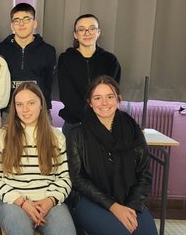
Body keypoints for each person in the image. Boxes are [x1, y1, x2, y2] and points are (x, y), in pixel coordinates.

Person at [67, 75, 156, 234]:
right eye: (97, 98)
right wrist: (113, 206)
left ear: (118, 99)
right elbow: (78, 180)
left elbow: (145, 174)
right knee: (120, 232)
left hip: (129, 198)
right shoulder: (77, 135)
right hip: (91, 200)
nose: (104, 103)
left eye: (110, 97)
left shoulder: (133, 130)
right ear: (89, 102)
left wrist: (130, 207)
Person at [0, 82, 75, 235]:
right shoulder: (2, 136)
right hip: (14, 202)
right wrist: (23, 202)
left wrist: (49, 201)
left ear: (41, 105)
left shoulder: (57, 137)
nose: (25, 109)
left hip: (50, 202)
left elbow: (65, 177)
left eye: (31, 103)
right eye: (19, 104)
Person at [57, 14, 121, 137]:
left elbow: (111, 94)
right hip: (74, 123)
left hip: (103, 122)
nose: (87, 33)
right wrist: (87, 118)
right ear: (75, 34)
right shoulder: (66, 59)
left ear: (98, 32)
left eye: (92, 28)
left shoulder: (110, 60)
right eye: (81, 29)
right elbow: (67, 94)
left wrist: (98, 118)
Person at [0, 3, 56, 113]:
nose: (21, 24)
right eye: (16, 20)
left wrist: (44, 106)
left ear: (35, 23)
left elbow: (48, 83)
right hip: (8, 111)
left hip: (39, 110)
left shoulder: (48, 50)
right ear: (12, 25)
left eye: (26, 19)